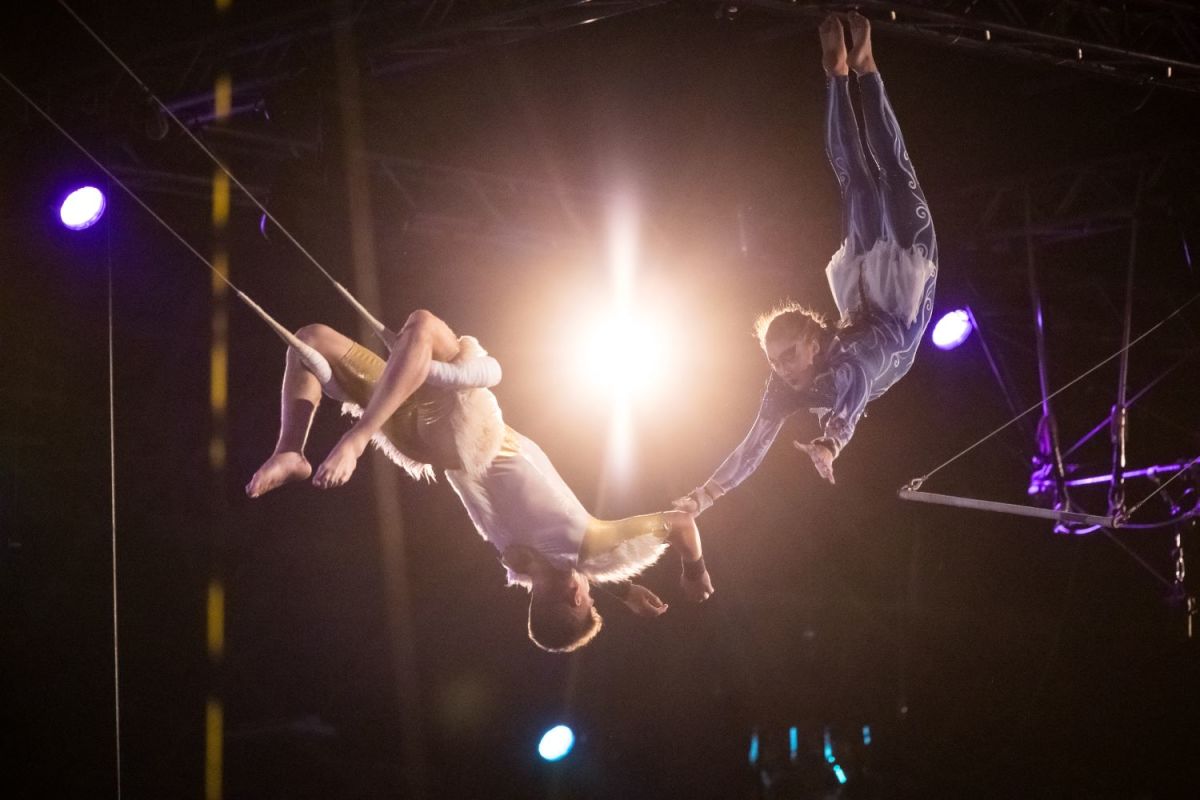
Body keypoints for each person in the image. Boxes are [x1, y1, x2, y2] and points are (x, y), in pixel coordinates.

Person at [246, 311, 714, 653]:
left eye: (589, 597)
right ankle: (290, 450)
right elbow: (563, 568)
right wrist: (624, 591)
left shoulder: (586, 545)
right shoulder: (518, 560)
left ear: (576, 595)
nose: (591, 588)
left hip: (461, 423)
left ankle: (356, 437)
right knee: (310, 340)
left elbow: (680, 524)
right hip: (418, 435)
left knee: (424, 325)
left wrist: (695, 573)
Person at [676, 12, 938, 513]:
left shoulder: (842, 362)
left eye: (788, 356)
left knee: (857, 179)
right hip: (906, 287)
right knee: (888, 175)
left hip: (866, 295)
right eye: (775, 360)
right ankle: (864, 70)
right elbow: (752, 447)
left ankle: (842, 74)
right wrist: (703, 498)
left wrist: (831, 442)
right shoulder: (797, 382)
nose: (781, 369)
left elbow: (852, 393)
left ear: (814, 343)